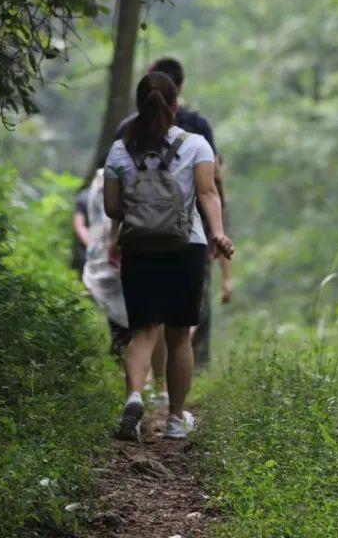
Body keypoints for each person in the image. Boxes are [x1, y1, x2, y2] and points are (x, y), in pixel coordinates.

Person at [104, 72, 233, 441]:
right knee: (179, 338)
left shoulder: (119, 150)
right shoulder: (197, 145)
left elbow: (112, 208)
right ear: (175, 105)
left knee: (143, 333)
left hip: (140, 248)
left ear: (138, 106)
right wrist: (218, 232)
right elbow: (208, 193)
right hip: (185, 247)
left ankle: (133, 396)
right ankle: (176, 419)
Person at [80, 167, 130, 355]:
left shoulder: (93, 189)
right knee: (124, 312)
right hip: (114, 254)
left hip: (102, 256)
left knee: (117, 312)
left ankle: (120, 354)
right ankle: (123, 357)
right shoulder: (114, 185)